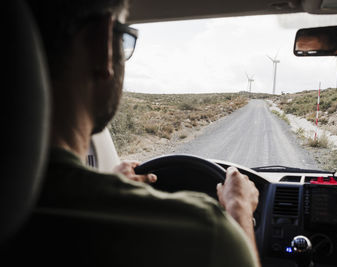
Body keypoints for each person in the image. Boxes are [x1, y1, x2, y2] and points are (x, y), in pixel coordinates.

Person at [26, 0, 261, 266]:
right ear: (100, 43)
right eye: (125, 39)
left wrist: (105, 185)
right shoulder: (205, 234)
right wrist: (239, 211)